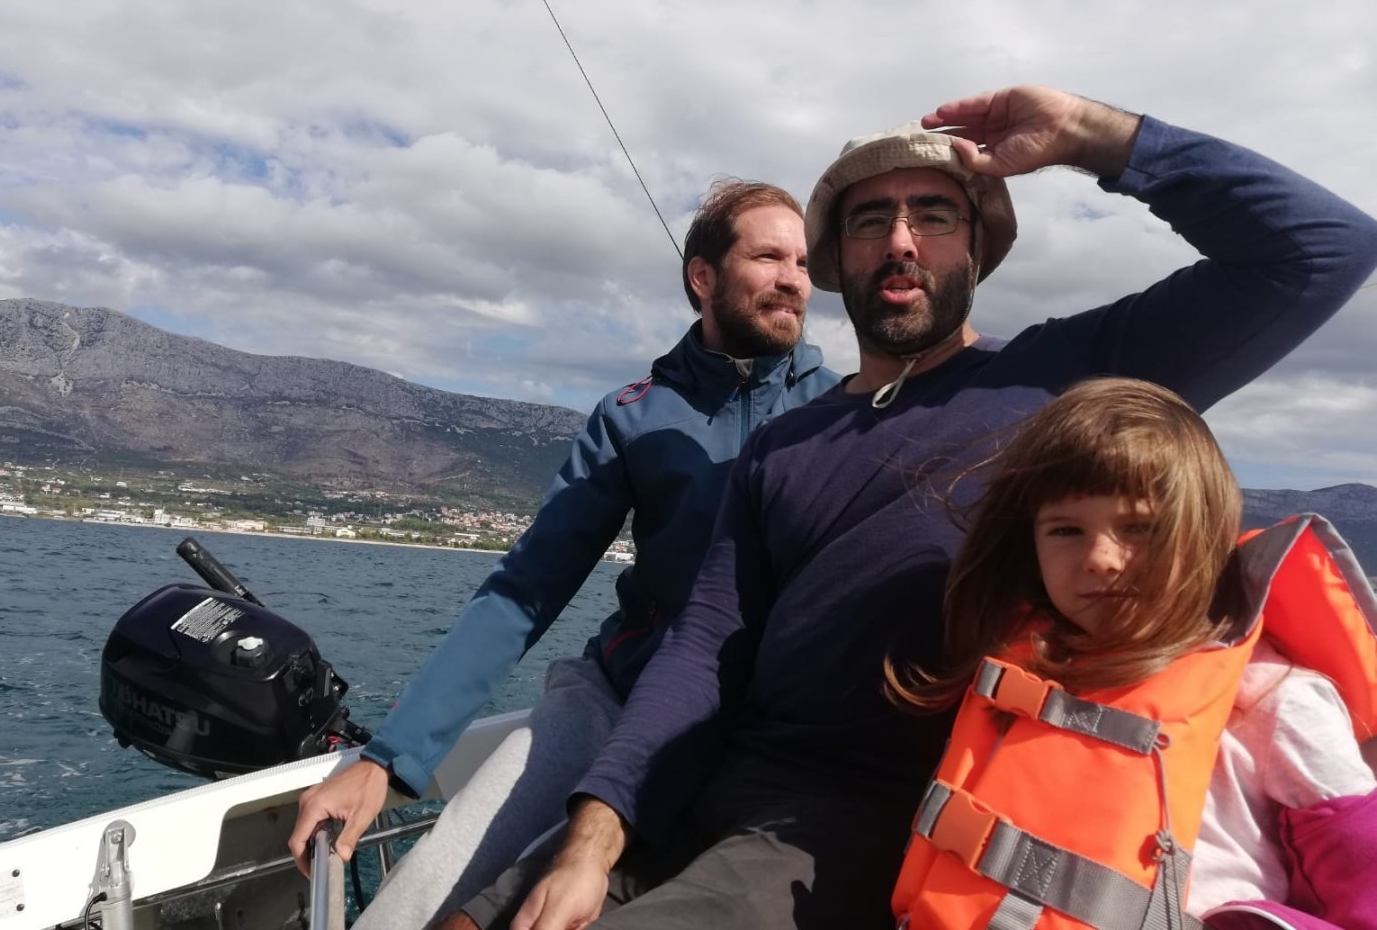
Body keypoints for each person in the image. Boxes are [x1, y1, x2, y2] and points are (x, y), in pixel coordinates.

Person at [450, 84, 1377, 930]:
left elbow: (1322, 248)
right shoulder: (785, 442)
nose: (900, 240)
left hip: (847, 831)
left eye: (932, 216)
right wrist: (595, 836)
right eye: (871, 221)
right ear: (837, 260)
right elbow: (704, 645)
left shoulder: (1065, 382)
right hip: (697, 784)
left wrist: (1092, 136)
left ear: (976, 248)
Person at [286, 179, 840, 928]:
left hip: (757, 726)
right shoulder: (632, 417)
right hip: (613, 694)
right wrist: (387, 759)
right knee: (419, 896)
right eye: (768, 257)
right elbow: (526, 588)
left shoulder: (843, 412)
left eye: (803, 262)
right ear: (703, 277)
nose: (793, 279)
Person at [886, 376, 1377, 928]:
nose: (1100, 558)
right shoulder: (1022, 672)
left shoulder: (1276, 698)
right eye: (1065, 530)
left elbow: (1365, 886)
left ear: (1205, 535)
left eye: (1139, 527)